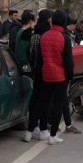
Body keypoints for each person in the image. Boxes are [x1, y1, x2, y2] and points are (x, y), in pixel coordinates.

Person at [38, 10, 74, 145]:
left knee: (45, 104)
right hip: (60, 77)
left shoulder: (44, 36)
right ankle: (52, 136)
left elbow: (40, 59)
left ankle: (43, 129)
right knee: (58, 106)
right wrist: (70, 76)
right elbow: (69, 62)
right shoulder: (65, 38)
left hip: (46, 75)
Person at [23, 9, 52, 142]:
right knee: (45, 101)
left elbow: (30, 53)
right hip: (46, 71)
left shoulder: (34, 34)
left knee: (35, 99)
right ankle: (43, 128)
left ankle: (33, 128)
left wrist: (34, 65)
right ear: (48, 19)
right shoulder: (47, 34)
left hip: (36, 71)